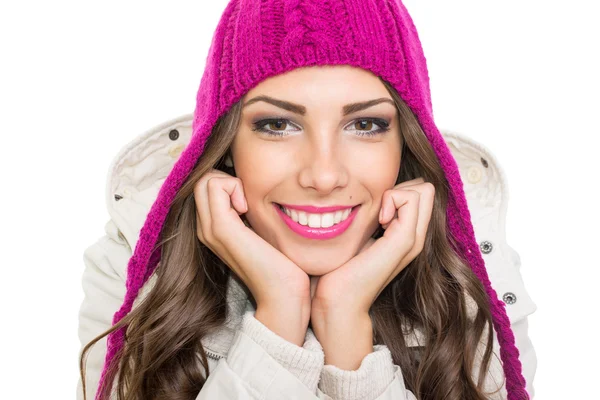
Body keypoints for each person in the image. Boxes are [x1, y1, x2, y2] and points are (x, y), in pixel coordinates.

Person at [76, 0, 538, 399]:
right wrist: (278, 317)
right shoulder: (135, 263)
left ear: (407, 147)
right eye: (277, 125)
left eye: (366, 125)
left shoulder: (470, 277)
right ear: (226, 146)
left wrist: (346, 326)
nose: (323, 175)